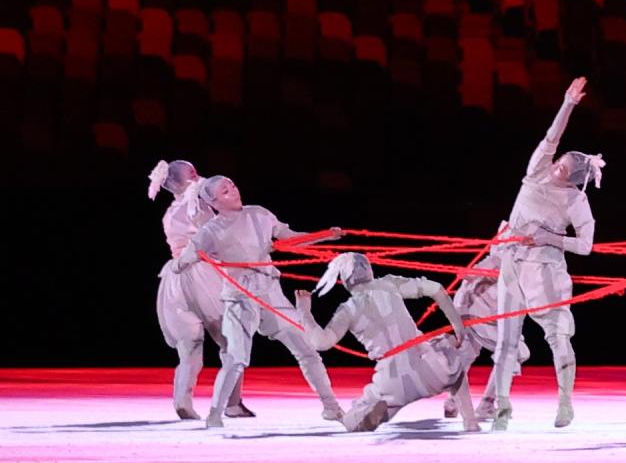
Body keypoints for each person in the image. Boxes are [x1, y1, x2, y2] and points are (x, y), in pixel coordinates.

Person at [176, 175, 343, 428]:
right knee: (236, 358)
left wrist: (323, 236)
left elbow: (289, 239)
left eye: (232, 185)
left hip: (271, 292)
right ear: (212, 201)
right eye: (225, 190)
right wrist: (190, 259)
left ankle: (331, 407)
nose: (233, 190)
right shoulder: (211, 230)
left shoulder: (259, 214)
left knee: (307, 350)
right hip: (240, 298)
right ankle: (215, 415)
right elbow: (185, 259)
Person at [486, 77, 602, 429]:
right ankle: (501, 409)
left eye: (565, 170)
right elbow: (551, 138)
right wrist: (567, 104)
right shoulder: (535, 173)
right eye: (559, 162)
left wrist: (550, 238)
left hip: (545, 269)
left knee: (557, 335)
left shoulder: (575, 200)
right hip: (511, 262)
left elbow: (585, 246)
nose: (557, 168)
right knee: (506, 338)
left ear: (574, 178)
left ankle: (565, 403)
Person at [296, 253, 480, 433]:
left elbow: (321, 342)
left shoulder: (348, 309)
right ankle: (470, 421)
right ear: (368, 270)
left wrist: (305, 311)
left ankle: (365, 414)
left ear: (345, 280)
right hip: (430, 368)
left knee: (352, 422)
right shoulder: (389, 284)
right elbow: (436, 289)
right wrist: (458, 326)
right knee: (452, 359)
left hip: (392, 382)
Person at [148, 160, 250, 420]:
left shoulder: (170, 212)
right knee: (230, 337)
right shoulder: (201, 196)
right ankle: (232, 402)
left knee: (190, 343)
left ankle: (183, 398)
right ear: (191, 177)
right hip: (203, 270)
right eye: (194, 172)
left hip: (174, 276)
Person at [441, 246, 527, 420]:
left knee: (466, 354)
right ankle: (486, 405)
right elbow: (470, 274)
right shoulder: (507, 253)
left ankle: (452, 402)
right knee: (513, 351)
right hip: (476, 313)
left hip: (471, 310)